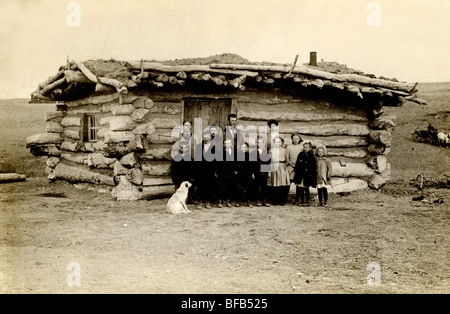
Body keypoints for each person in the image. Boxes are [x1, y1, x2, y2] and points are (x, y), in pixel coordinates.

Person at [194, 131, 218, 209]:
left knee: (209, 186)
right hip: (201, 170)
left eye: (207, 136)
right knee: (200, 186)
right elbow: (196, 160)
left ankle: (208, 202)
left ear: (211, 138)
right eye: (204, 136)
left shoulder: (214, 147)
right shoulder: (199, 146)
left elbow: (215, 160)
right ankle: (200, 202)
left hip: (210, 170)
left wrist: (214, 171)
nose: (206, 138)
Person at [268, 136, 291, 205]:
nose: (277, 143)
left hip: (282, 166)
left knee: (282, 184)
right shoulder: (271, 150)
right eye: (276, 142)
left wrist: (286, 166)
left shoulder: (284, 150)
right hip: (274, 166)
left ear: (281, 143)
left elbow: (287, 160)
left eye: (279, 142)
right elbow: (269, 160)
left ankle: (282, 200)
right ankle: (275, 200)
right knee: (275, 184)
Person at [293, 141, 317, 206]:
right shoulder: (300, 155)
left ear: (310, 148)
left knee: (306, 188)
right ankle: (302, 201)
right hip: (300, 174)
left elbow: (313, 166)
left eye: (306, 147)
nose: (305, 148)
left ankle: (307, 201)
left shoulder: (311, 156)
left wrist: (311, 174)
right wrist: (296, 172)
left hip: (307, 175)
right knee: (300, 188)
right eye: (304, 147)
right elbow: (297, 164)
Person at [235, 142, 257, 207]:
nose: (243, 149)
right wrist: (237, 170)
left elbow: (253, 165)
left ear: (247, 148)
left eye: (245, 147)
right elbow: (235, 164)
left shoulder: (250, 155)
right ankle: (238, 201)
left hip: (248, 174)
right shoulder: (237, 155)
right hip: (240, 173)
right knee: (239, 188)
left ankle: (248, 201)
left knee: (249, 188)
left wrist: (252, 173)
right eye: (242, 147)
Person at [219, 138, 238, 207]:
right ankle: (220, 201)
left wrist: (236, 169)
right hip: (223, 172)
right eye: (225, 143)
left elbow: (236, 161)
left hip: (231, 172)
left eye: (228, 143)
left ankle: (228, 201)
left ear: (231, 144)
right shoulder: (220, 152)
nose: (227, 145)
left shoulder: (234, 151)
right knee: (222, 186)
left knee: (230, 186)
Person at [286, 133, 304, 203]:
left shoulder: (301, 147)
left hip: (299, 167)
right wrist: (291, 164)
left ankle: (297, 198)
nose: (295, 140)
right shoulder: (289, 147)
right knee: (288, 182)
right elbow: (287, 158)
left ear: (299, 139)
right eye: (294, 139)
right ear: (292, 140)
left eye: (297, 139)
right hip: (291, 167)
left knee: (298, 183)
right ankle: (285, 197)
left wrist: (298, 166)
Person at [254, 136, 271, 207]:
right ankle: (257, 201)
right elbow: (252, 163)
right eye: (258, 142)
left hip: (264, 171)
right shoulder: (253, 152)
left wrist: (269, 171)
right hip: (256, 171)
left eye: (261, 142)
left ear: (263, 143)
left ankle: (264, 201)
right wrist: (252, 173)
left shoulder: (265, 152)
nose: (259, 144)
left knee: (264, 187)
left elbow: (268, 162)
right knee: (257, 187)